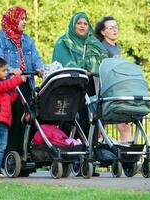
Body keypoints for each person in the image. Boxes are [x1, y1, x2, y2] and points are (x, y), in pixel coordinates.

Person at [0, 6, 44, 177]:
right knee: (2, 125)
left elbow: (35, 57)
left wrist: (40, 67)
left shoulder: (27, 40)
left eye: (26, 18)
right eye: (21, 18)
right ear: (12, 20)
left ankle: (18, 160)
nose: (24, 22)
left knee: (23, 124)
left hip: (25, 85)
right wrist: (12, 70)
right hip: (6, 86)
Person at [52, 12, 108, 176]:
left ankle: (86, 160)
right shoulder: (64, 42)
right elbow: (64, 62)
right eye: (79, 23)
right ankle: (66, 157)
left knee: (88, 121)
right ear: (73, 25)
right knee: (70, 120)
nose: (83, 26)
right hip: (69, 85)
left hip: (88, 86)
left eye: (85, 23)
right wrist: (82, 68)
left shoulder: (93, 43)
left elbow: (103, 59)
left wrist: (92, 69)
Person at [95, 16, 133, 143]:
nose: (114, 30)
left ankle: (128, 160)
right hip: (106, 94)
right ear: (103, 32)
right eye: (110, 28)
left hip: (119, 92)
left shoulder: (117, 47)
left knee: (124, 126)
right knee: (98, 130)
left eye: (116, 27)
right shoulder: (101, 48)